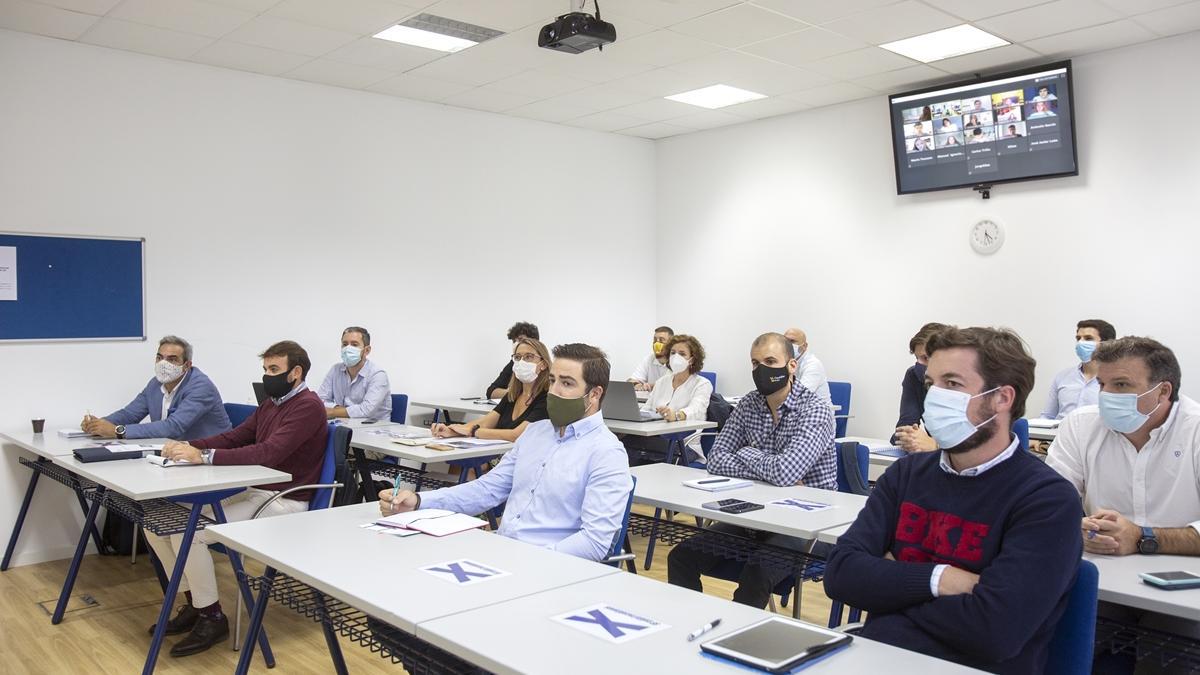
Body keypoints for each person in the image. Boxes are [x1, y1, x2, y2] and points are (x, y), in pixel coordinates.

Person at [825, 326, 1083, 673]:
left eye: (953, 384)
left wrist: (890, 585)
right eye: (931, 384)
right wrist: (941, 579)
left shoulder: (1046, 499)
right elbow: (841, 575)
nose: (934, 397)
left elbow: (996, 630)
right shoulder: (906, 475)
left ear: (1001, 399)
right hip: (878, 660)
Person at [148, 340, 328, 657]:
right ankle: (195, 604)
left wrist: (203, 457)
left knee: (192, 534)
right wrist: (186, 445)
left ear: (296, 372)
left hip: (286, 500)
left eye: (274, 370)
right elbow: (235, 436)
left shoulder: (308, 406)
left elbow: (269, 452)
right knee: (159, 523)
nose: (267, 376)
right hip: (256, 490)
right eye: (265, 370)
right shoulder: (272, 402)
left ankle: (213, 617)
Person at [381, 342, 633, 561]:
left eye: (567, 384)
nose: (554, 391)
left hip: (550, 569)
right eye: (553, 380)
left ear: (595, 394)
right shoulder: (536, 433)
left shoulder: (606, 453)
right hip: (504, 552)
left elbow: (595, 541)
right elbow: (488, 489)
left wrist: (528, 561)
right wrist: (421, 501)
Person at [667, 332, 836, 608]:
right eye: (755, 364)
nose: (762, 370)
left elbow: (784, 471)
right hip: (753, 516)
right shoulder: (749, 403)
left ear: (791, 366)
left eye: (771, 361)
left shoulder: (815, 410)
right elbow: (717, 459)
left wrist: (745, 453)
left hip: (805, 525)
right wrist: (771, 466)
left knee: (755, 574)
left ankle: (736, 643)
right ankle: (690, 623)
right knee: (681, 557)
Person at [1047, 336, 1200, 556]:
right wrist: (1073, 527)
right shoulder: (1080, 424)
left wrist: (1142, 537)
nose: (1106, 395)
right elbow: (1050, 503)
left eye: (1121, 384)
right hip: (1102, 565)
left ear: (1163, 391)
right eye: (1101, 384)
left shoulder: (1194, 429)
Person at [81, 335, 230, 440]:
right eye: (159, 358)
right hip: (175, 452)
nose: (163, 364)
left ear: (187, 365)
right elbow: (130, 414)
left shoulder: (201, 387)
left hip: (209, 456)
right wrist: (99, 425)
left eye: (172, 359)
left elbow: (173, 427)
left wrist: (117, 431)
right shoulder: (155, 383)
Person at [433, 338, 551, 442]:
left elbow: (516, 435)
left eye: (528, 357)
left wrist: (473, 431)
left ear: (543, 364)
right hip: (502, 453)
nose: (521, 362)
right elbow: (486, 422)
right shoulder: (512, 395)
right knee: (458, 458)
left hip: (523, 460)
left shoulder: (547, 398)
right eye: (518, 357)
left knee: (467, 463)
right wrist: (452, 431)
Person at [641, 334, 713, 458]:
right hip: (656, 440)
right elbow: (646, 409)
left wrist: (676, 415)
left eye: (682, 353)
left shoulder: (702, 384)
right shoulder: (661, 382)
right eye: (673, 353)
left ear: (692, 359)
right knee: (625, 446)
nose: (676, 357)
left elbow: (695, 410)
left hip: (685, 446)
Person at [1040, 319, 1116, 420]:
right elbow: (1047, 416)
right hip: (1059, 433)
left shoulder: (1116, 381)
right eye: (1078, 338)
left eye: (1088, 338)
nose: (1080, 343)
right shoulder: (1062, 377)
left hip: (1096, 434)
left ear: (1106, 344)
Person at [316, 326, 391, 421]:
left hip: (374, 429)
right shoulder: (335, 370)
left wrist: (332, 411)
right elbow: (320, 401)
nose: (348, 348)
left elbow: (366, 410)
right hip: (345, 425)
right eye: (344, 344)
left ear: (367, 350)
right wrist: (341, 410)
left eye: (354, 345)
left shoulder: (378, 375)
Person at [892, 322, 947, 449]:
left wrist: (936, 446)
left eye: (925, 358)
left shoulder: (965, 382)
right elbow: (905, 425)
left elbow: (974, 441)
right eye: (917, 358)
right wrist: (908, 436)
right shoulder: (914, 375)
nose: (919, 364)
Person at [486, 321, 539, 399]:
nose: (516, 343)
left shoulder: (541, 364)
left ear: (534, 342)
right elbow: (490, 392)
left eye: (520, 339)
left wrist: (512, 392)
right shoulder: (514, 363)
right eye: (514, 341)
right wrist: (513, 393)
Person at [783, 328, 831, 402]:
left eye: (792, 341)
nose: (788, 345)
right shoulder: (783, 362)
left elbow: (799, 395)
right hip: (795, 408)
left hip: (817, 410)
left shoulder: (813, 364)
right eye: (785, 341)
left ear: (804, 346)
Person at [628, 325, 674, 391]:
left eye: (661, 341)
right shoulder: (649, 359)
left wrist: (651, 386)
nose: (656, 344)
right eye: (655, 340)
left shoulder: (676, 361)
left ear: (671, 344)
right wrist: (637, 385)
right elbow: (631, 380)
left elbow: (672, 385)